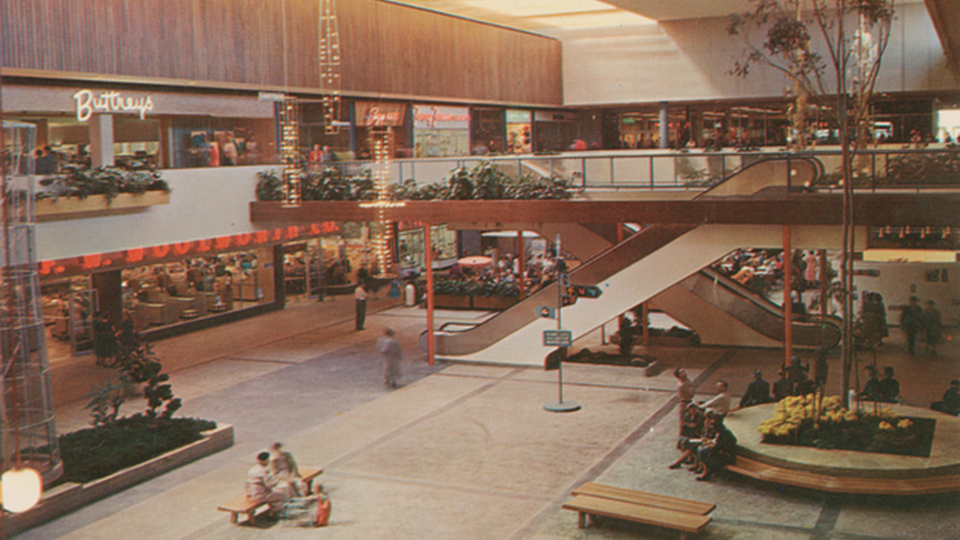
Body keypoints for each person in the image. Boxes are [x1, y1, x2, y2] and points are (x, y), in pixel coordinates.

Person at [694, 411, 738, 481]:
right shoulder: (720, 432)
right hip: (721, 453)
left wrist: (710, 445)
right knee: (702, 450)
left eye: (712, 424)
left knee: (704, 453)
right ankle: (705, 469)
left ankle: (706, 473)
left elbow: (717, 448)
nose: (711, 426)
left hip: (727, 456)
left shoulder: (724, 434)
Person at [245, 451, 288, 518]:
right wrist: (278, 479)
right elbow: (269, 485)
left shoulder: (253, 469)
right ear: (265, 460)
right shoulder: (263, 470)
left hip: (252, 493)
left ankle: (273, 510)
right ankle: (273, 512)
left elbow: (247, 483)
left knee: (274, 495)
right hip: (261, 495)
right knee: (283, 496)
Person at [674, 367, 695, 433]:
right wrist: (690, 385)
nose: (685, 373)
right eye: (682, 372)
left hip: (687, 402)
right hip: (684, 404)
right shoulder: (682, 385)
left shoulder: (685, 382)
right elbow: (691, 393)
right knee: (683, 423)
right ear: (679, 375)